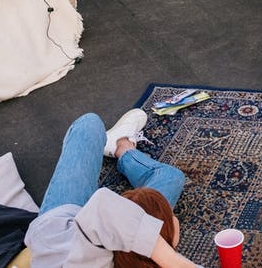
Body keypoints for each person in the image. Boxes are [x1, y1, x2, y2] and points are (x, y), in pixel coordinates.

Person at [25, 109, 201, 268]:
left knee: (89, 125)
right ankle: (122, 146)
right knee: (170, 177)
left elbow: (103, 206)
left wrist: (169, 258)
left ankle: (121, 147)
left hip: (60, 225)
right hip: (106, 235)